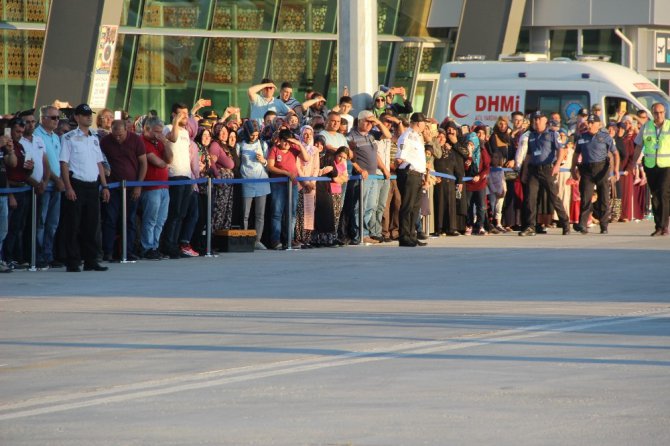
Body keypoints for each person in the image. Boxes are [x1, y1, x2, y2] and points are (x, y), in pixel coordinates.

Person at [59, 104, 110, 272]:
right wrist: (68, 187)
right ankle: (72, 261)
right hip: (77, 184)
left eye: (90, 114)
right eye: (85, 114)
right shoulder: (69, 138)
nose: (89, 117)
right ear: (77, 117)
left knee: (92, 224)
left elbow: (99, 163)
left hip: (92, 185)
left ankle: (91, 260)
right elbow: (64, 164)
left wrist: (104, 185)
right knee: (73, 225)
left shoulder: (94, 138)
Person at [100, 120, 147, 260]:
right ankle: (108, 251)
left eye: (120, 135)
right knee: (110, 219)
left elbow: (143, 163)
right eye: (115, 135)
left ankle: (128, 251)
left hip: (132, 187)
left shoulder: (136, 140)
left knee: (130, 219)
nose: (117, 137)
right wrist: (105, 186)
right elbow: (101, 163)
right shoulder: (105, 141)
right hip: (113, 187)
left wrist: (139, 185)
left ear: (126, 129)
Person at [518, 111, 571, 236]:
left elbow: (561, 150)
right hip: (534, 170)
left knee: (554, 197)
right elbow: (529, 155)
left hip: (548, 169)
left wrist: (557, 165)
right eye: (535, 120)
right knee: (530, 197)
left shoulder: (553, 134)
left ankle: (565, 223)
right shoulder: (531, 135)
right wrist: (524, 171)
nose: (536, 122)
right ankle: (530, 226)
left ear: (545, 121)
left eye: (539, 119)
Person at [346, 110, 391, 245]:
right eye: (367, 121)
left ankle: (364, 232)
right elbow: (348, 157)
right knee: (360, 206)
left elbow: (388, 135)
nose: (369, 124)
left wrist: (377, 122)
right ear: (359, 121)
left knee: (371, 206)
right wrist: (359, 170)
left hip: (373, 176)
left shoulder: (372, 135)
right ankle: (359, 235)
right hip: (361, 177)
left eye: (371, 122)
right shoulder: (351, 136)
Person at [161, 103, 194, 258]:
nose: (185, 117)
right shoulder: (168, 128)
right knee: (173, 213)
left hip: (186, 176)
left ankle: (175, 243)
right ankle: (167, 245)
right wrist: (175, 121)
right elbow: (172, 139)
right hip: (174, 175)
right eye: (182, 114)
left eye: (187, 114)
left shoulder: (186, 133)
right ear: (174, 115)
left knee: (181, 214)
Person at [267, 128, 309, 249]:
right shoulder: (274, 149)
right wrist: (285, 173)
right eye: (284, 141)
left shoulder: (293, 148)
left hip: (293, 184)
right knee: (277, 212)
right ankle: (276, 240)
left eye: (288, 141)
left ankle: (289, 239)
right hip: (278, 184)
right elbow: (270, 167)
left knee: (292, 213)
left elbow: (306, 158)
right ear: (279, 140)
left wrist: (299, 144)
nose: (286, 144)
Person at [34, 105, 64, 268]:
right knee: (41, 221)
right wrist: (56, 179)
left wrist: (61, 180)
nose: (57, 121)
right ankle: (38, 255)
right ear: (43, 118)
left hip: (56, 185)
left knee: (53, 222)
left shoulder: (55, 137)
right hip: (45, 184)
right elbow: (43, 162)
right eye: (53, 118)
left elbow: (58, 161)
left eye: (58, 118)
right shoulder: (37, 135)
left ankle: (48, 254)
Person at [635, 102, 670, 236]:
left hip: (666, 165)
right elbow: (639, 145)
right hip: (650, 166)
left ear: (665, 113)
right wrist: (634, 162)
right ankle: (658, 226)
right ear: (652, 113)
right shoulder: (646, 127)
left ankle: (664, 226)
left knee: (663, 194)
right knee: (655, 196)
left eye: (661, 112)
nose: (659, 115)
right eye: (656, 113)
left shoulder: (669, 126)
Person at [139, 117, 171, 260]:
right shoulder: (142, 142)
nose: (159, 135)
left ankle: (155, 246)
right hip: (151, 186)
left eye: (161, 132)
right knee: (150, 219)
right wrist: (164, 161)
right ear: (147, 129)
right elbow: (159, 163)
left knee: (161, 219)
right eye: (156, 132)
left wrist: (166, 143)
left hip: (164, 185)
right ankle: (147, 247)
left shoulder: (160, 142)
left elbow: (169, 160)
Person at [396, 112, 428, 247]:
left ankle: (412, 234)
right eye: (424, 123)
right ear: (418, 123)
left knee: (415, 207)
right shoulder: (407, 136)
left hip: (417, 174)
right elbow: (400, 157)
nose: (425, 125)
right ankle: (404, 236)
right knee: (407, 206)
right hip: (409, 173)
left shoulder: (417, 137)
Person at [237, 120, 270, 250]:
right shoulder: (241, 145)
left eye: (256, 134)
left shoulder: (263, 144)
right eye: (251, 134)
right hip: (247, 180)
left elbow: (269, 164)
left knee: (260, 214)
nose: (254, 137)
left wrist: (263, 161)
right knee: (245, 213)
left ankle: (257, 240)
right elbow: (238, 163)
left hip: (262, 180)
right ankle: (244, 239)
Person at [209, 122, 235, 232]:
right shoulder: (215, 145)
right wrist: (217, 176)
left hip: (228, 181)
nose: (224, 134)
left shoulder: (224, 146)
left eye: (225, 131)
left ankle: (223, 235)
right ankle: (214, 237)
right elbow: (211, 161)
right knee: (218, 209)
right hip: (221, 181)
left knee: (226, 210)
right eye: (221, 132)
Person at [0, 122, 19, 271]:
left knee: (3, 230)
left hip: (3, 193)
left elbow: (11, 164)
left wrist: (10, 151)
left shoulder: (3, 144)